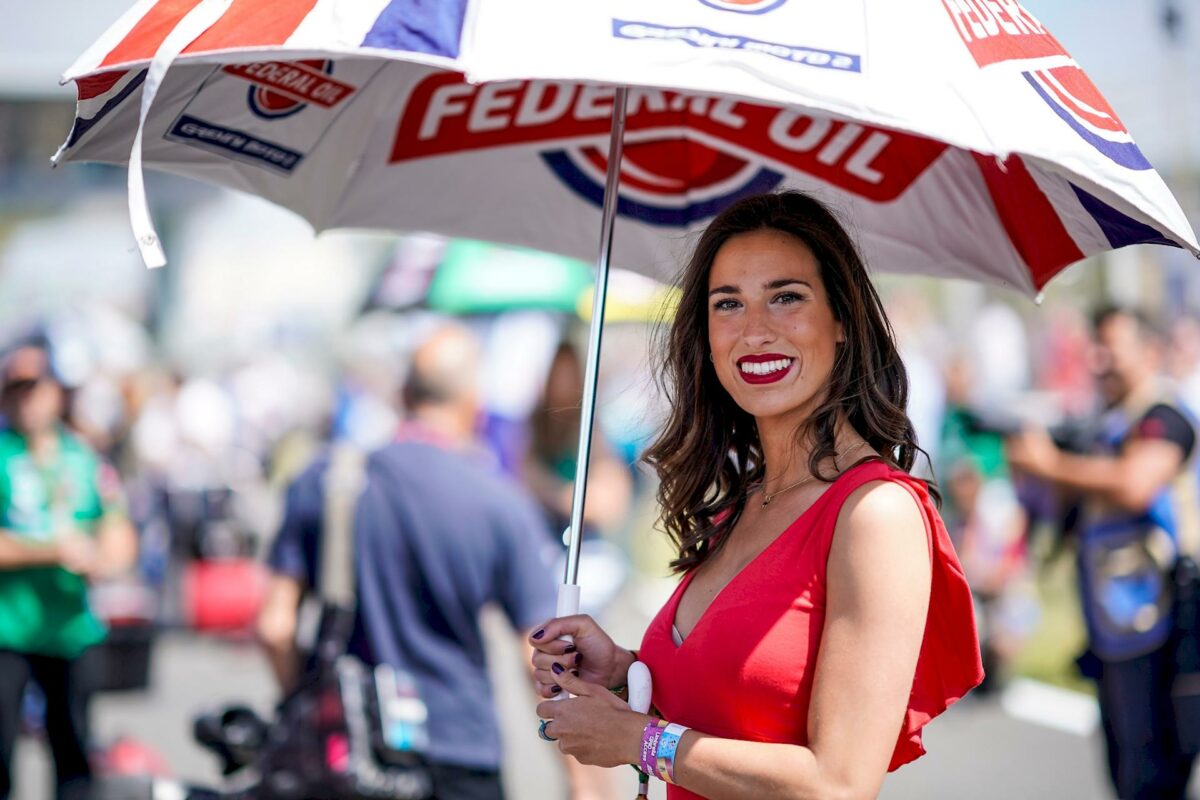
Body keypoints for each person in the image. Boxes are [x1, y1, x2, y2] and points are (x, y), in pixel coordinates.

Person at [529, 191, 983, 799]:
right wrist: (622, 672)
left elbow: (839, 786)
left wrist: (638, 740)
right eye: (728, 304)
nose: (755, 331)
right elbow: (737, 704)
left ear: (843, 318)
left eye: (786, 297)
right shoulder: (742, 503)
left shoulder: (874, 513)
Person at [257, 324, 594, 799]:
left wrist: (304, 708)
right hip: (461, 754)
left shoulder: (326, 479)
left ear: (402, 394)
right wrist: (582, 783)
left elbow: (274, 627)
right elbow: (539, 655)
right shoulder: (497, 502)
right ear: (472, 403)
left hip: (345, 749)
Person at [1006, 306, 1200, 800]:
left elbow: (1136, 483)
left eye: (1111, 349)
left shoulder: (1165, 416)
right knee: (1125, 770)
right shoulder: (1103, 426)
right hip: (1115, 626)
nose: (1099, 361)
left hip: (1162, 624)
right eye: (1095, 349)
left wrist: (1051, 465)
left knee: (1153, 776)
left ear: (1150, 352)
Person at [0, 343, 138, 800]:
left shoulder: (83, 458)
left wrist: (101, 559)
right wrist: (51, 550)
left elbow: (118, 530)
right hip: (9, 631)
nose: (26, 400)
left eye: (34, 388)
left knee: (74, 756)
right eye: (15, 390)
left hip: (71, 630)